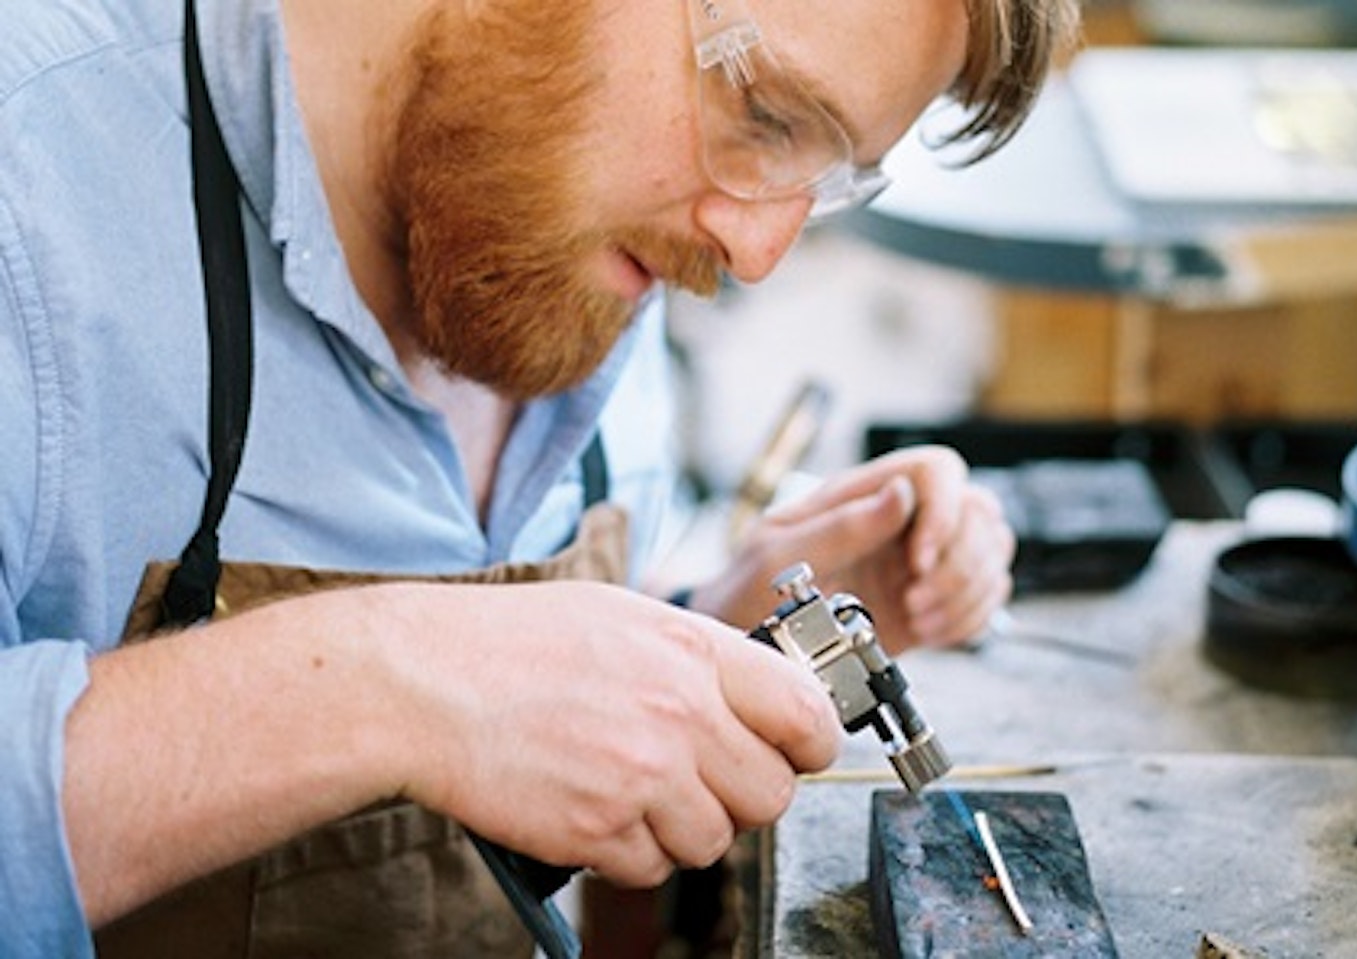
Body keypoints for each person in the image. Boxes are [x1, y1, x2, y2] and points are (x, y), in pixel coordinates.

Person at [0, 0, 1078, 954]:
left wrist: (720, 628)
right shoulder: (29, 178)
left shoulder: (583, 211)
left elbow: (525, 713)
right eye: (765, 111)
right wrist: (388, 679)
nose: (756, 255)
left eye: (827, 179)